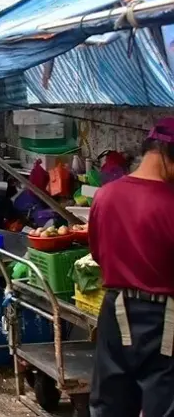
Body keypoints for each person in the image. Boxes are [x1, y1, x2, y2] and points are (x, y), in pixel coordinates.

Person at [89, 118, 174, 416]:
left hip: (115, 308)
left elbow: (98, 254)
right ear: (167, 154)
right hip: (164, 317)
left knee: (109, 401)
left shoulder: (105, 195)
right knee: (163, 403)